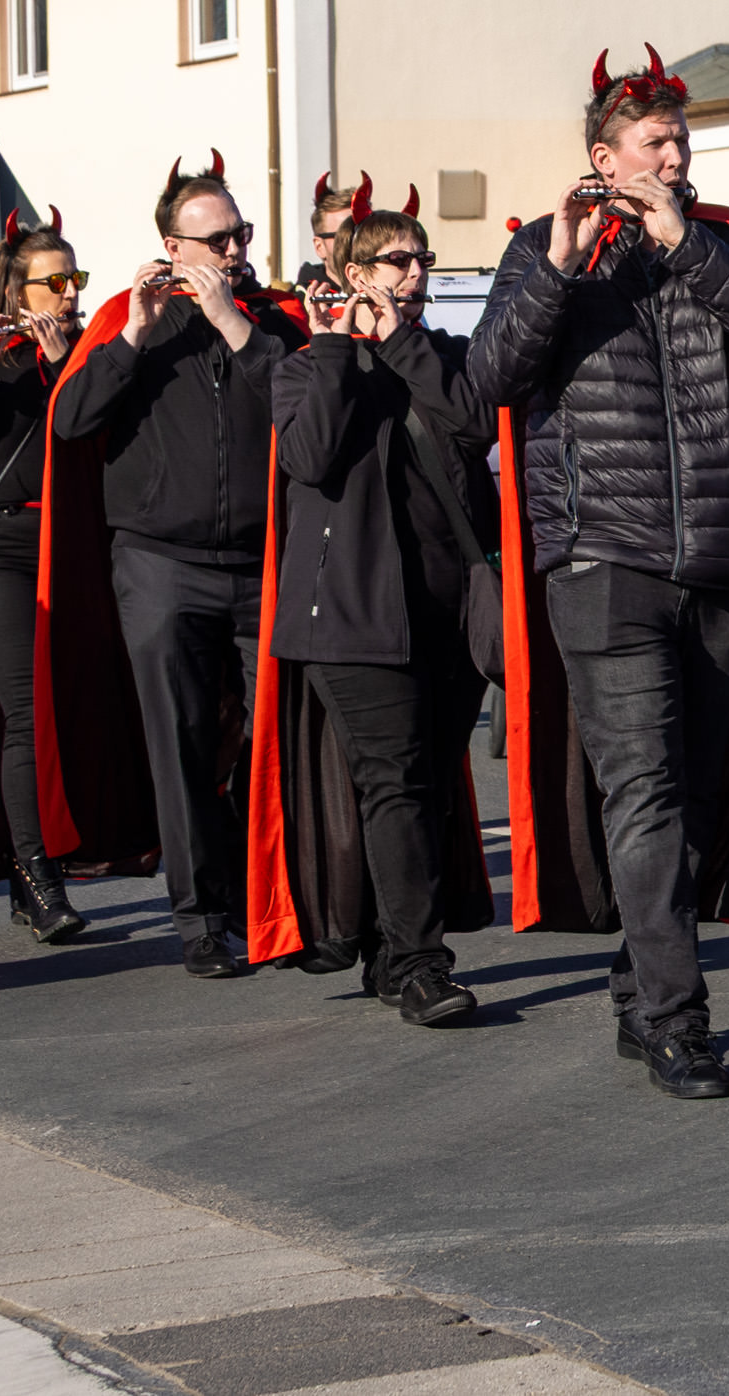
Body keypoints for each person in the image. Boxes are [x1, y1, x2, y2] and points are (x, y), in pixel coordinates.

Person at [466, 48, 729, 1102]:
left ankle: (640, 981)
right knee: (645, 787)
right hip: (601, 560)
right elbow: (488, 378)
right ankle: (678, 1019)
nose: (674, 157)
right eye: (655, 142)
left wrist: (686, 244)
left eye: (681, 141)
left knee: (701, 793)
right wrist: (558, 270)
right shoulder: (544, 248)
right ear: (604, 156)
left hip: (720, 556)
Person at [48, 164, 308, 975]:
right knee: (183, 743)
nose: (233, 250)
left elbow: (304, 404)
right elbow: (70, 420)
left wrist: (233, 323)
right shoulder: (126, 320)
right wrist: (132, 336)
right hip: (161, 562)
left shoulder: (272, 320)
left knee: (277, 738)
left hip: (262, 562)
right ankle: (201, 919)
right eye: (217, 239)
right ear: (173, 246)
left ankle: (278, 906)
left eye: (241, 235)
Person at [247, 200, 493, 1025]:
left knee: (432, 786)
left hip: (450, 609)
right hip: (350, 613)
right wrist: (334, 348)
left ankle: (391, 949)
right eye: (397, 260)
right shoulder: (304, 367)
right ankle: (422, 965)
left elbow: (473, 424)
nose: (415, 273)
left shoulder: (442, 354)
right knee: (395, 782)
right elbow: (310, 456)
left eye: (423, 259)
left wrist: (401, 343)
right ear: (353, 274)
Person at [0, 221, 155, 940]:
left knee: (79, 705)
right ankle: (38, 872)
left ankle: (48, 862)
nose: (70, 293)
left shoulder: (89, 351)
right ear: (18, 289)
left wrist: (67, 363)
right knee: (27, 706)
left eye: (76, 279)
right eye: (57, 281)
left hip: (73, 545)